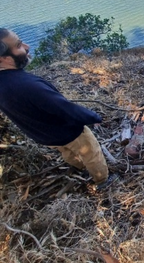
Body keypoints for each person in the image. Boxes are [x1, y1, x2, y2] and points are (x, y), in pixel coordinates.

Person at [0, 28, 117, 190]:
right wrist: (93, 117)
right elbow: (63, 108)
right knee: (91, 153)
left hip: (44, 136)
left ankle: (81, 169)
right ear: (4, 58)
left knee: (67, 152)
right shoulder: (28, 85)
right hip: (68, 131)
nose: (27, 47)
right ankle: (103, 181)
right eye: (19, 45)